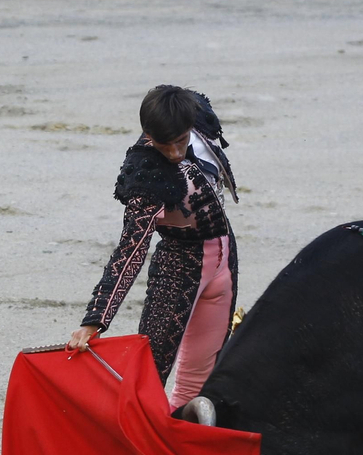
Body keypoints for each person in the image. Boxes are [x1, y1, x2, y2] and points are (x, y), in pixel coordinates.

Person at [68, 86, 241, 410]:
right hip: (180, 268)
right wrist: (96, 319)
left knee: (203, 380)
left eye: (180, 141)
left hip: (225, 257)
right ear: (149, 134)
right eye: (165, 145)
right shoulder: (145, 173)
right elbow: (130, 249)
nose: (175, 153)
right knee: (147, 379)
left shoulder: (198, 116)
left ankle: (186, 444)